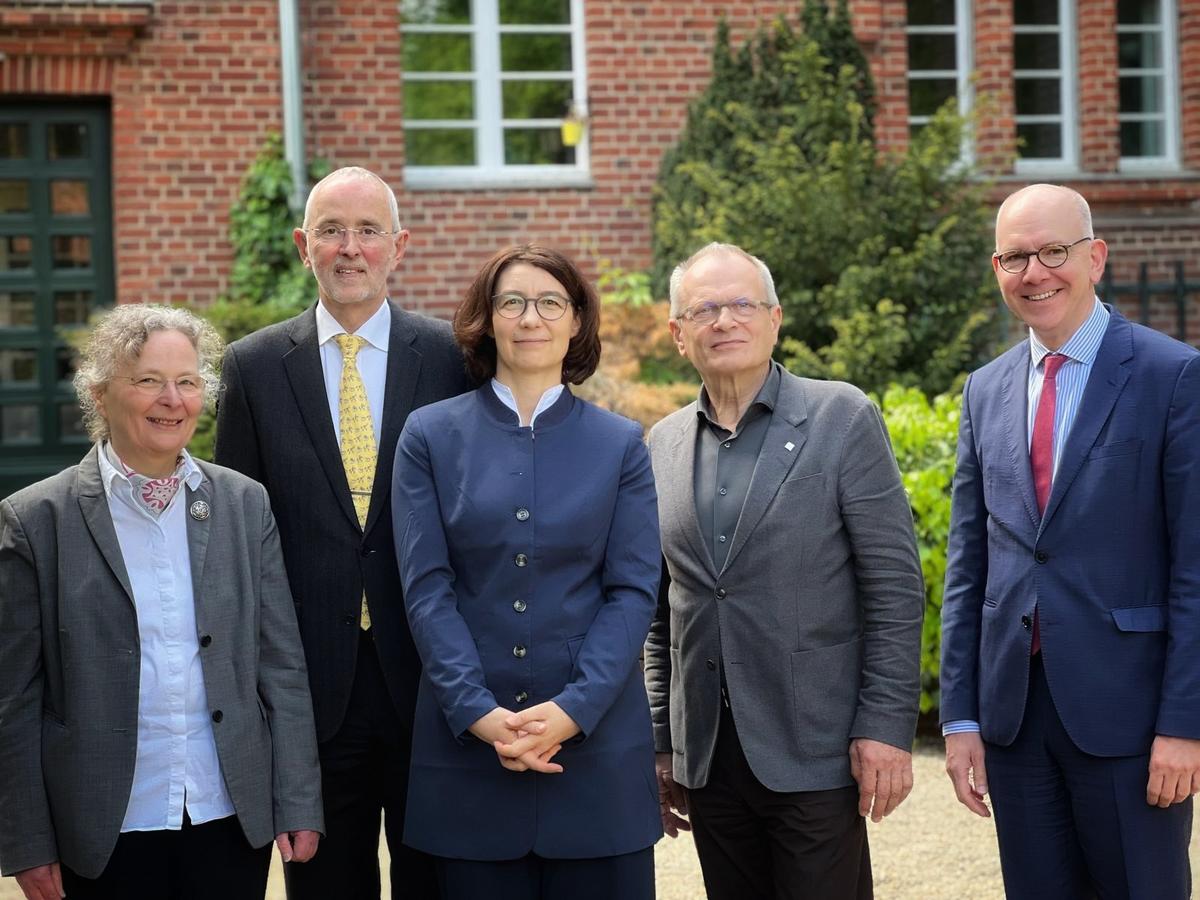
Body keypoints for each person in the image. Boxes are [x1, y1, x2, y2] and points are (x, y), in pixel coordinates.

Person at [0, 304, 322, 900]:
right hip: (100, 826)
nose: (171, 399)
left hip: (225, 811)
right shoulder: (34, 520)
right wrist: (25, 839)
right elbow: (14, 699)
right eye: (147, 380)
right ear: (100, 395)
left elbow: (281, 665)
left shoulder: (245, 505)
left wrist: (298, 797)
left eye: (188, 381)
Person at [215, 166, 474, 899]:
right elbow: (240, 534)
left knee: (441, 881)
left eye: (367, 231)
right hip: (310, 693)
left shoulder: (452, 360)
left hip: (431, 683)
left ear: (400, 246)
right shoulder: (255, 367)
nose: (349, 248)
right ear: (304, 245)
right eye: (331, 230)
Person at [940, 183, 1200, 898]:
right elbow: (971, 565)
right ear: (997, 270)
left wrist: (1185, 725)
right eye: (1015, 257)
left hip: (1132, 719)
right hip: (1015, 719)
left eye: (1054, 251)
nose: (1035, 273)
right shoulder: (983, 390)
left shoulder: (1172, 376)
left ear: (1097, 257)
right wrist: (960, 716)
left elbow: (1194, 569)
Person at [644, 242, 924, 900]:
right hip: (710, 761)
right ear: (678, 335)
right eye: (704, 309)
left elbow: (893, 589)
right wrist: (663, 741)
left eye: (742, 303)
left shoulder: (842, 417)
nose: (724, 321)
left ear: (775, 318)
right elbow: (661, 612)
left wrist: (884, 729)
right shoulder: (661, 443)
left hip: (815, 750)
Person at [390, 244, 662, 900]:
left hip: (595, 758)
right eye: (511, 302)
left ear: (576, 323)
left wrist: (574, 709)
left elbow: (632, 592)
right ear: (487, 320)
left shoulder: (621, 443)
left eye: (549, 303)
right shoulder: (427, 436)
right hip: (466, 757)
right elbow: (427, 589)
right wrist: (478, 712)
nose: (530, 318)